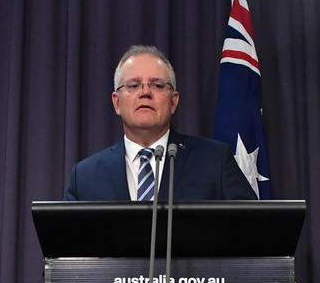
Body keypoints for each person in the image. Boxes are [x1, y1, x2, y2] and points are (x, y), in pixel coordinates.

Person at [64, 45, 257, 202]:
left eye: (157, 85)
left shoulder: (215, 162)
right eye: (133, 85)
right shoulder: (85, 177)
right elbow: (66, 248)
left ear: (173, 101)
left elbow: (252, 235)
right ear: (116, 102)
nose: (145, 92)